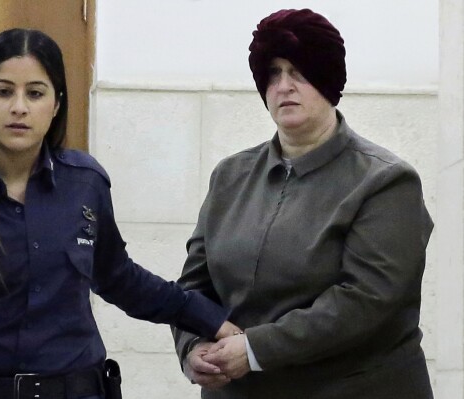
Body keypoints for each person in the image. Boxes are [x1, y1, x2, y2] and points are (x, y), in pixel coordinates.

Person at [0, 28, 238, 399]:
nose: (19, 107)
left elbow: (119, 278)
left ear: (56, 103)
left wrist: (208, 317)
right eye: (3, 91)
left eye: (35, 93)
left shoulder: (85, 184)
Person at [172, 8, 434, 399]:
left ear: (329, 81)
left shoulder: (385, 181)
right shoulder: (230, 176)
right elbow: (194, 284)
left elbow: (364, 301)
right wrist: (194, 348)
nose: (284, 86)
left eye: (299, 71)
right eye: (273, 74)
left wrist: (256, 349)